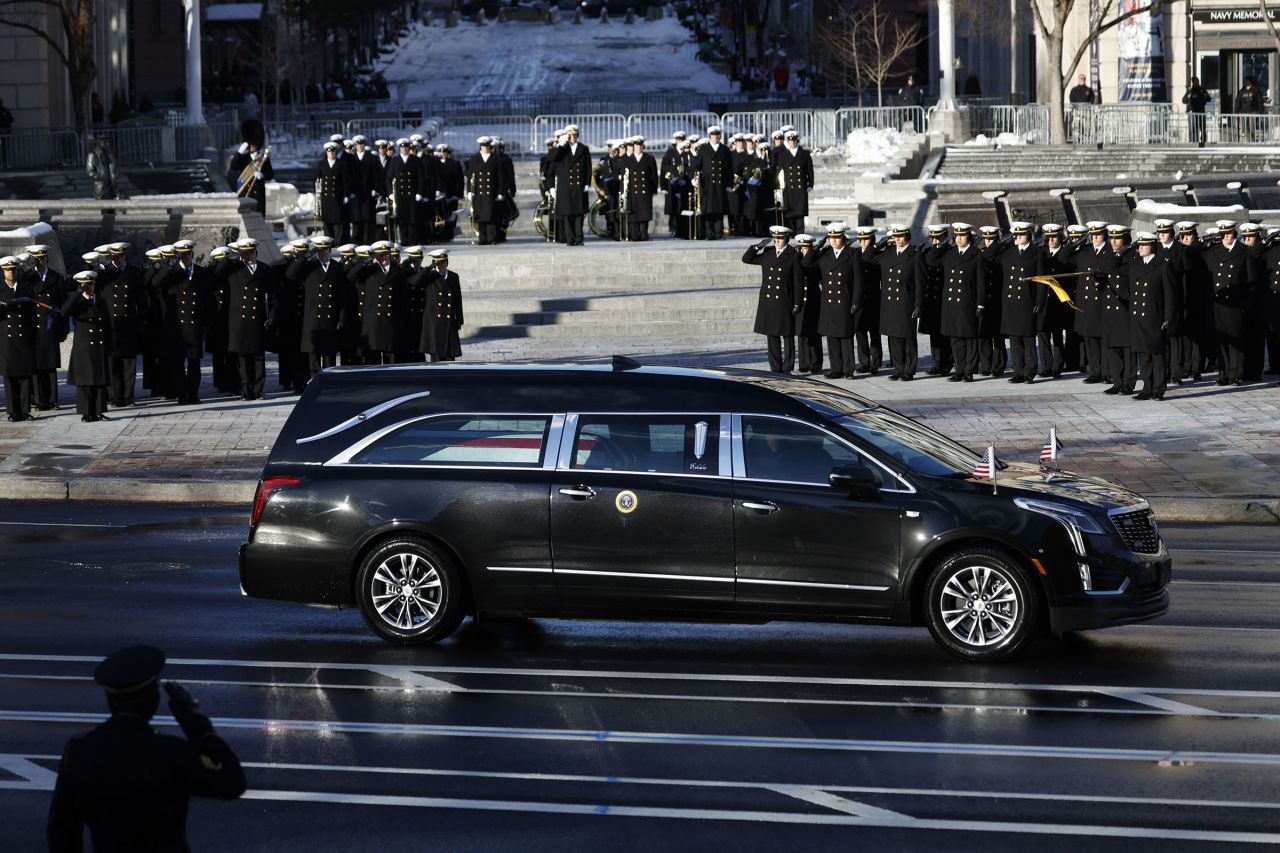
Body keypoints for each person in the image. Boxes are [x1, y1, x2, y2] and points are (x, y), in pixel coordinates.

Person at [47, 645, 245, 852]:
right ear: (152, 699)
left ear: (110, 700)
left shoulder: (80, 752)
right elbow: (232, 782)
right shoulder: (171, 753)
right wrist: (194, 722)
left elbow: (62, 832)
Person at [801, 222, 861, 379]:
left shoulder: (852, 254)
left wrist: (856, 301)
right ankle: (836, 369)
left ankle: (848, 370)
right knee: (832, 337)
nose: (834, 241)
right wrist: (818, 246)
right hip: (828, 303)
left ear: (843, 238)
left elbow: (859, 281)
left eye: (837, 238)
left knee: (845, 338)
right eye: (831, 238)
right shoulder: (825, 255)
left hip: (845, 301)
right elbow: (806, 263)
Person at [1127, 231, 1179, 400]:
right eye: (1139, 245)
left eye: (1144, 245)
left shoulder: (1163, 265)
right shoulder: (1136, 265)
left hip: (1155, 317)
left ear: (1152, 247)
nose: (1140, 248)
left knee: (1157, 356)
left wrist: (1168, 318)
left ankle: (1158, 388)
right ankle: (1147, 388)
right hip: (1139, 318)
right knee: (1143, 355)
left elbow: (1171, 294)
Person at [866, 224, 919, 380]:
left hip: (906, 302)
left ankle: (909, 370)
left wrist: (918, 305)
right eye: (895, 237)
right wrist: (876, 245)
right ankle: (899, 368)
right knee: (894, 337)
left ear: (907, 237)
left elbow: (919, 283)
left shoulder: (914, 254)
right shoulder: (888, 254)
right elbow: (866, 257)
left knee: (908, 338)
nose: (897, 240)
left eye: (900, 236)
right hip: (890, 304)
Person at [743, 225, 800, 373]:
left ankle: (788, 367)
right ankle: (775, 367)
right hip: (769, 302)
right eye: (775, 238)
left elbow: (797, 281)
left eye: (780, 238)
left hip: (785, 300)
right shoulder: (768, 253)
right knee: (772, 335)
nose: (777, 241)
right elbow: (747, 259)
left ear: (786, 239)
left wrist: (797, 302)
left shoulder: (793, 255)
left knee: (787, 336)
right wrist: (757, 247)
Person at [96, 241, 145, 407]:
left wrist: (140, 321)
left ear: (125, 256)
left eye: (120, 257)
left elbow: (141, 300)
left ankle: (128, 396)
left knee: (128, 364)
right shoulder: (103, 275)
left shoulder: (134, 273)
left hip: (128, 324)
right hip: (111, 324)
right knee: (113, 364)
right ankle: (115, 397)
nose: (117, 261)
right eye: (114, 257)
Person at [20, 245, 69, 410]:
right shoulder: (27, 278)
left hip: (50, 325)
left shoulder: (56, 277)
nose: (40, 262)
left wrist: (63, 328)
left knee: (50, 365)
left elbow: (63, 304)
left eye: (42, 258)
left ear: (47, 258)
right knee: (36, 365)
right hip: (34, 326)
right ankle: (39, 400)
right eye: (36, 259)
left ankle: (52, 399)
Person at [226, 238, 275, 400]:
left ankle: (258, 389)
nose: (249, 256)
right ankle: (245, 390)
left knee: (258, 357)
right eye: (245, 253)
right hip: (239, 321)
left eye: (251, 252)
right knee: (243, 358)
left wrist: (271, 315)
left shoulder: (264, 269)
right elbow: (218, 271)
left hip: (257, 319)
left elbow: (273, 295)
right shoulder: (234, 269)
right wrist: (235, 257)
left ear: (256, 252)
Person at [996, 222, 1045, 383]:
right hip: (1011, 303)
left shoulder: (1036, 253)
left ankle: (1029, 371)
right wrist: (1002, 241)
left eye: (1021, 235)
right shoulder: (1008, 253)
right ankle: (1018, 371)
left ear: (1029, 236)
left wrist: (1039, 301)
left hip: (1027, 302)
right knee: (1015, 340)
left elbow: (1041, 280)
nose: (1018, 237)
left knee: (1028, 340)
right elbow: (988, 257)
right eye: (1015, 235)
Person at [62, 270, 113, 421]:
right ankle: (86, 412)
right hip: (84, 346)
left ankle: (98, 410)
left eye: (91, 284)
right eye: (86, 285)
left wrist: (110, 343)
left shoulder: (100, 300)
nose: (89, 287)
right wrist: (77, 294)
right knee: (85, 380)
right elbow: (64, 311)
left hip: (100, 343)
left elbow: (108, 322)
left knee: (99, 379)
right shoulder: (78, 302)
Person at [940, 222, 984, 383]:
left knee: (970, 339)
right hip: (952, 304)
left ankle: (969, 371)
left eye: (962, 236)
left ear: (969, 237)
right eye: (956, 236)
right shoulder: (950, 254)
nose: (959, 239)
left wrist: (981, 304)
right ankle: (959, 370)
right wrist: (941, 244)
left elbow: (981, 282)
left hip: (968, 302)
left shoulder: (976, 254)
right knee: (956, 338)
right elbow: (931, 260)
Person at [1, 255, 39, 421]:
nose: (12, 273)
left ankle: (24, 410)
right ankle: (12, 411)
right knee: (9, 376)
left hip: (24, 337)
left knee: (24, 375)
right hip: (6, 339)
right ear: (3, 272)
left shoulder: (25, 288)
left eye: (14, 269)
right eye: (8, 270)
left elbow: (32, 314)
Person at [550, 125, 592, 246]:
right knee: (568, 214)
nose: (572, 137)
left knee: (579, 213)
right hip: (566, 186)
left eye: (574, 135)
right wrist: (560, 145)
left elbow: (588, 168)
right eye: (570, 135)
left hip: (579, 186)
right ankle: (570, 239)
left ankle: (579, 238)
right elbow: (552, 158)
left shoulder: (583, 149)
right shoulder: (562, 148)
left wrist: (587, 183)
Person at [690, 126, 733, 240]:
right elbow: (695, 165)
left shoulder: (725, 150)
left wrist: (729, 184)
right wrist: (694, 178)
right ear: (710, 136)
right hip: (707, 184)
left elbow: (729, 169)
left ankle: (719, 233)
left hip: (720, 184)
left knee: (719, 209)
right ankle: (709, 233)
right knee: (708, 209)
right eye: (713, 135)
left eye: (717, 135)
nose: (715, 137)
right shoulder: (704, 149)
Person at [420, 249, 463, 362]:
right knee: (436, 358)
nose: (441, 265)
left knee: (450, 357)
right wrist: (429, 268)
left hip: (449, 321)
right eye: (438, 262)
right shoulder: (430, 276)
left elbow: (457, 299)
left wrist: (459, 320)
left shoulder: (453, 276)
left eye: (443, 262)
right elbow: (415, 281)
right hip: (434, 322)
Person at [226, 119, 272, 215]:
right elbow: (233, 167)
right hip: (245, 193)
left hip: (258, 195)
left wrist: (262, 175)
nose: (252, 147)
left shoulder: (263, 159)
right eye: (251, 144)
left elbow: (270, 174)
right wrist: (239, 153)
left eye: (254, 144)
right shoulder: (244, 158)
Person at [792, 233, 823, 374]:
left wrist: (813, 252)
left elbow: (807, 264)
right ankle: (803, 364)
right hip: (800, 300)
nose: (803, 251)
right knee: (801, 333)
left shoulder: (815, 260)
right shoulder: (796, 259)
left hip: (813, 299)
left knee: (814, 334)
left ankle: (815, 363)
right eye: (801, 248)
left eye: (806, 248)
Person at [466, 137, 504, 245]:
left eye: (487, 145)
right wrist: (469, 191)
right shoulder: (475, 159)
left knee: (491, 216)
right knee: (480, 216)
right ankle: (482, 238)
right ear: (480, 147)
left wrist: (501, 192)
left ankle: (492, 238)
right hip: (479, 192)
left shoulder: (495, 159)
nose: (485, 148)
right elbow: (470, 176)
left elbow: (501, 177)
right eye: (483, 146)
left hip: (491, 193)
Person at [774, 130, 813, 234]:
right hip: (788, 188)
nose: (793, 143)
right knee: (789, 212)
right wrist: (779, 186)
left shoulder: (804, 154)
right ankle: (791, 232)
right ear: (787, 142)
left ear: (797, 141)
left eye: (794, 140)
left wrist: (811, 184)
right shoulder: (783, 155)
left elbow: (809, 170)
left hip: (800, 188)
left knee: (800, 212)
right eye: (790, 141)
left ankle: (800, 233)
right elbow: (780, 172)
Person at [385, 138, 423, 246]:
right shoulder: (394, 160)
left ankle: (413, 240)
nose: (405, 149)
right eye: (402, 147)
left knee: (412, 219)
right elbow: (388, 177)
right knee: (402, 219)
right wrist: (390, 193)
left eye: (406, 147)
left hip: (412, 195)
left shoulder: (415, 160)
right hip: (400, 195)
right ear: (400, 148)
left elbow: (421, 178)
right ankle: (404, 240)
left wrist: (420, 192)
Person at [315, 141, 352, 241]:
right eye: (329, 152)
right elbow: (317, 179)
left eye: (333, 152)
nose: (331, 154)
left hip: (337, 197)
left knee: (337, 220)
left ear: (336, 152)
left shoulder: (341, 164)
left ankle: (338, 240)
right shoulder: (322, 164)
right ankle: (328, 240)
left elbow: (346, 181)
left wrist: (346, 195)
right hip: (326, 198)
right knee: (327, 221)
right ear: (326, 153)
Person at [623, 136, 658, 242]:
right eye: (636, 145)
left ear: (643, 146)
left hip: (645, 191)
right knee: (633, 214)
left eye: (640, 145)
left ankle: (644, 234)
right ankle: (635, 234)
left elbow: (653, 175)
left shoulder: (649, 159)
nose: (638, 147)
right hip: (633, 191)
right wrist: (624, 191)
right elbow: (624, 177)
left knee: (644, 214)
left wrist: (653, 189)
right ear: (633, 146)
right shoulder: (628, 160)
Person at [84, 135, 118, 200]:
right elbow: (89, 171)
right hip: (101, 185)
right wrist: (97, 176)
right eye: (104, 142)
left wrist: (115, 174)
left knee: (112, 207)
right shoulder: (92, 154)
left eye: (106, 141)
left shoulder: (109, 154)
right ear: (99, 143)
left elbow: (113, 167)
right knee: (103, 206)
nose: (106, 143)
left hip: (111, 186)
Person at [1182, 76, 1209, 147]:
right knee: (1193, 128)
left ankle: (1203, 141)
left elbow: (1208, 98)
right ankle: (1193, 141)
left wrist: (1204, 96)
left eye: (1197, 81)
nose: (1196, 83)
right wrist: (1187, 93)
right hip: (1193, 113)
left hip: (1201, 112)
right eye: (1194, 81)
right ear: (1192, 82)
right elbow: (1184, 100)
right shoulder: (1191, 91)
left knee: (1202, 128)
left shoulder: (1202, 90)